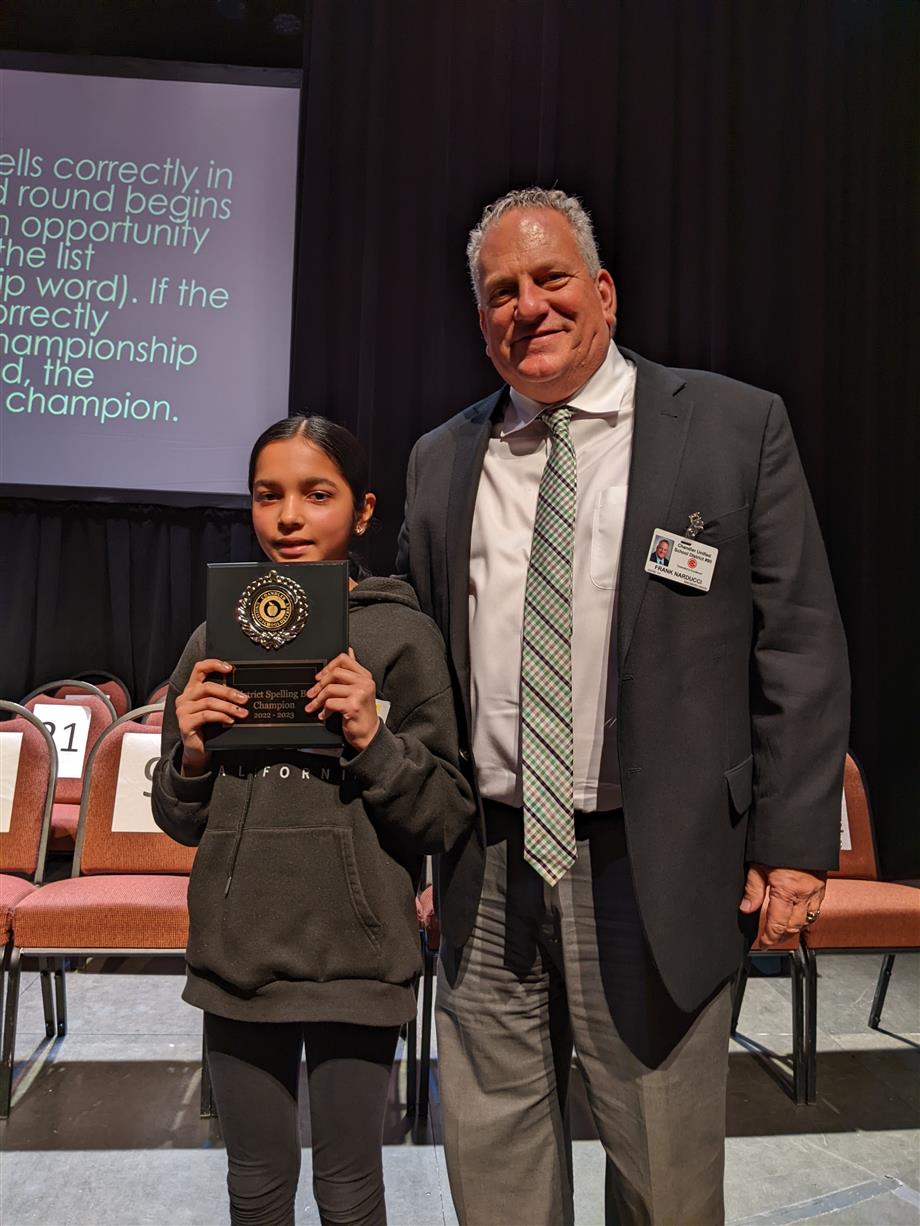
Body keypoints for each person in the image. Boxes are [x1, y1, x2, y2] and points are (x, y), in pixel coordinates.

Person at [396, 188, 850, 1225]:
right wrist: (415, 846)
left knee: (664, 1184)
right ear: (480, 324)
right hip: (486, 864)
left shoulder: (733, 427)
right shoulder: (439, 461)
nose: (528, 306)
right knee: (495, 1171)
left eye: (550, 279)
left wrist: (792, 845)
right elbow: (419, 675)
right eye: (500, 292)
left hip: (656, 867)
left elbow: (799, 647)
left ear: (602, 290)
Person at [152, 414, 475, 1226]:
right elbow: (179, 820)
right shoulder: (212, 639)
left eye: (315, 494)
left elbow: (443, 812)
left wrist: (373, 738)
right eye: (268, 496)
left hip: (358, 962)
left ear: (363, 511)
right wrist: (189, 755)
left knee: (350, 1189)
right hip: (238, 958)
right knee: (256, 1189)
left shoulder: (403, 638)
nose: (288, 516)